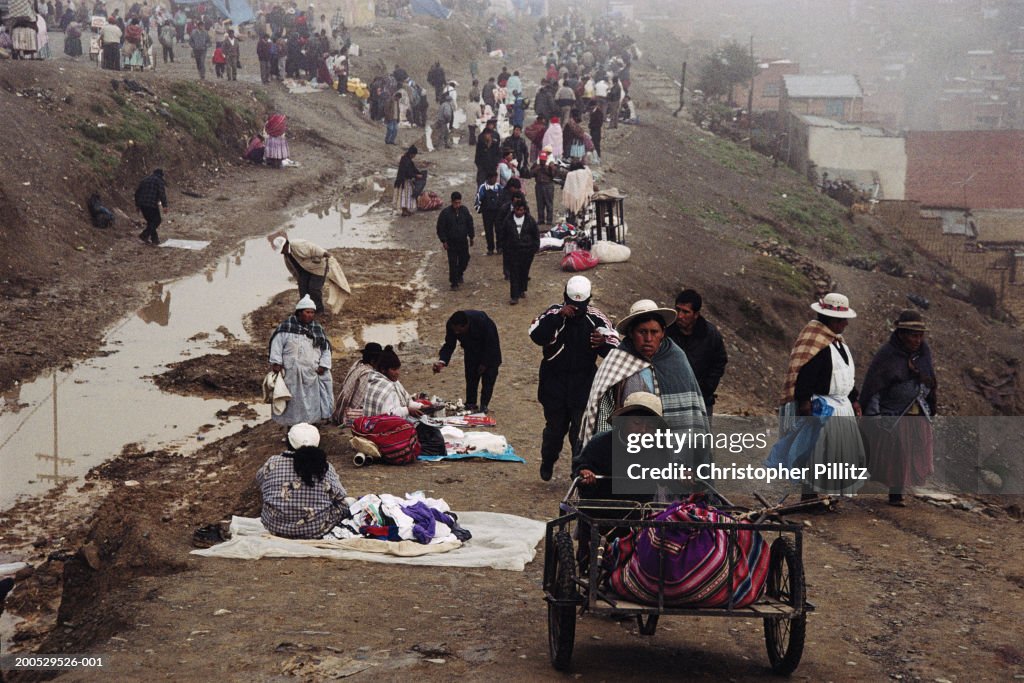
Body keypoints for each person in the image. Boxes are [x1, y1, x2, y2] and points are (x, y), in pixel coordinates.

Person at [578, 299, 709, 471]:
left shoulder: (677, 359)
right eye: (642, 332)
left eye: (654, 332)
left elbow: (690, 415)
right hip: (625, 447)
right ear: (631, 333)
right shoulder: (617, 361)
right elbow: (603, 411)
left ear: (663, 333)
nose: (648, 339)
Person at [776, 292, 866, 501]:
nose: (845, 324)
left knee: (834, 453)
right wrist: (805, 404)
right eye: (841, 320)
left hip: (840, 404)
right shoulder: (814, 343)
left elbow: (845, 375)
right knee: (816, 452)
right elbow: (804, 376)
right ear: (829, 319)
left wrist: (854, 399)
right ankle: (809, 496)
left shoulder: (838, 343)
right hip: (821, 406)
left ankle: (826, 494)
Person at [530, 275, 619, 481]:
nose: (575, 310)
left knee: (579, 431)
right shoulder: (553, 313)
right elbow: (536, 335)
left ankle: (577, 470)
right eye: (572, 305)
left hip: (584, 383)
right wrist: (559, 316)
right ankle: (548, 459)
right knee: (554, 429)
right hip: (554, 382)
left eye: (580, 305)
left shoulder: (596, 318)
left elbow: (616, 346)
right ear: (564, 298)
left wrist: (602, 343)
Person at [858, 310, 937, 506]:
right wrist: (874, 415)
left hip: (918, 413)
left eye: (920, 335)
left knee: (912, 452)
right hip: (894, 413)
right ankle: (895, 493)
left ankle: (899, 488)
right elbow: (875, 386)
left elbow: (930, 379)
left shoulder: (923, 354)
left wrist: (929, 399)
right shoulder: (888, 355)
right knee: (897, 454)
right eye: (913, 335)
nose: (917, 340)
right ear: (901, 334)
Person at [256, 422, 349, 539]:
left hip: (275, 528)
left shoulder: (272, 462)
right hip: (315, 530)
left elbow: (260, 482)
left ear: (288, 443)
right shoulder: (325, 467)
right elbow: (340, 495)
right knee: (346, 503)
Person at [268, 295, 334, 426]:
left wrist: (323, 365)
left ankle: (311, 426)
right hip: (291, 374)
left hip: (311, 373)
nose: (310, 315)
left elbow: (326, 349)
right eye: (307, 312)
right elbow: (276, 346)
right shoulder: (285, 329)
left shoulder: (317, 330)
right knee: (293, 402)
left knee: (312, 402)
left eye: (312, 312)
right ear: (299, 313)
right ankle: (291, 429)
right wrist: (276, 363)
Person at [665, 289, 728, 419]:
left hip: (702, 400)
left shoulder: (710, 334)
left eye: (685, 312)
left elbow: (720, 361)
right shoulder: (666, 332)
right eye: (678, 310)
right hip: (670, 398)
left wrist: (707, 387)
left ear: (696, 314)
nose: (680, 315)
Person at [433, 310, 501, 413]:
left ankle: (484, 405)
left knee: (488, 380)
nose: (456, 333)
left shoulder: (482, 322)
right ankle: (471, 403)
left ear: (466, 325)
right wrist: (442, 361)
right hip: (471, 351)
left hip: (490, 353)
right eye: (454, 330)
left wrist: (485, 363)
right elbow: (449, 344)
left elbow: (492, 344)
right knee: (471, 377)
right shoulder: (451, 325)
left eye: (459, 331)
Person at [363, 346, 429, 420]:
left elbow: (407, 401)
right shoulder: (382, 386)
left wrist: (421, 407)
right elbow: (387, 415)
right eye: (394, 369)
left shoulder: (395, 383)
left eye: (398, 368)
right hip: (382, 427)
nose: (398, 373)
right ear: (383, 370)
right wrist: (407, 410)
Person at [272, 236, 332, 313]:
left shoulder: (298, 245)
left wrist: (324, 253)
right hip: (304, 270)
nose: (281, 252)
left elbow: (313, 248)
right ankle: (304, 309)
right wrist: (299, 279)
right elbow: (292, 269)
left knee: (314, 289)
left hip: (318, 267)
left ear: (285, 245)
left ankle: (319, 310)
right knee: (303, 289)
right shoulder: (287, 256)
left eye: (282, 250)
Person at [332, 342, 383, 426]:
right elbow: (365, 401)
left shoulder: (358, 364)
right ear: (373, 360)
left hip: (339, 411)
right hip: (347, 416)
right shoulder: (368, 374)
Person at [500, 200, 539, 305]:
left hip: (527, 251)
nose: (519, 212)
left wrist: (534, 248)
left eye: (521, 210)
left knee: (524, 272)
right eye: (517, 210)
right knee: (514, 274)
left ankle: (522, 290)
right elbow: (503, 235)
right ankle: (514, 296)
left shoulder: (530, 221)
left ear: (524, 210)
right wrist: (505, 249)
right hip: (513, 252)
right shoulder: (508, 221)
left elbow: (536, 235)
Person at [436, 192, 475, 290]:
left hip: (463, 241)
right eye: (455, 203)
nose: (457, 205)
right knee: (452, 262)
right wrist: (444, 241)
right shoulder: (445, 213)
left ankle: (459, 273)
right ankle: (454, 283)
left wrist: (471, 237)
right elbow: (440, 228)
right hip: (451, 242)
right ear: (452, 202)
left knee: (465, 259)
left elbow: (470, 223)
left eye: (459, 203)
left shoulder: (464, 211)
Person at [134, 168, 168, 245]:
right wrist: (165, 205)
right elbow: (162, 194)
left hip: (142, 205)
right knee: (157, 220)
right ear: (161, 175)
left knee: (151, 222)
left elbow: (137, 193)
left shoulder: (144, 180)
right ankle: (144, 235)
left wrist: (137, 205)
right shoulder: (159, 181)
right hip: (151, 205)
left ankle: (155, 240)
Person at [530, 147, 557, 225]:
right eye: (541, 159)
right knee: (540, 203)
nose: (542, 161)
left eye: (543, 159)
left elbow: (554, 175)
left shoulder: (551, 164)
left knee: (549, 203)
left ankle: (549, 220)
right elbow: (530, 174)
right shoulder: (536, 164)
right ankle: (541, 219)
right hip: (539, 185)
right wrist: (536, 169)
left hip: (548, 185)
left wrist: (548, 168)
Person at [393, 145, 422, 217]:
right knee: (404, 196)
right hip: (403, 181)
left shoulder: (407, 159)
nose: (414, 156)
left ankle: (405, 210)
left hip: (404, 181)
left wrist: (419, 173)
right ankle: (404, 211)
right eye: (414, 154)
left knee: (406, 196)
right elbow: (408, 172)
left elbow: (413, 169)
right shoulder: (406, 160)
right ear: (412, 154)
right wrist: (416, 175)